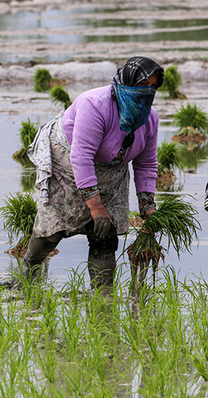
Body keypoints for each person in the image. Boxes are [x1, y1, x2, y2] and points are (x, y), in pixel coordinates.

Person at [25, 56, 163, 290]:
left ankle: (103, 294)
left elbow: (146, 164)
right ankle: (29, 272)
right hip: (68, 161)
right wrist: (95, 205)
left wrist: (147, 203)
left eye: (153, 86)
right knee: (53, 230)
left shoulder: (150, 118)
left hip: (112, 168)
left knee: (105, 234)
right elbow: (81, 156)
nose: (147, 92)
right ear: (126, 83)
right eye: (142, 85)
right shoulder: (95, 105)